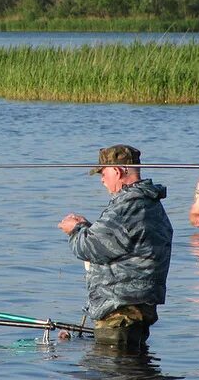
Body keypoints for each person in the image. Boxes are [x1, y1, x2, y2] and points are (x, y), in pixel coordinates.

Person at [58, 145, 173, 349]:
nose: (102, 180)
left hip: (120, 312)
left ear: (117, 171)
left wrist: (75, 229)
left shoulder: (127, 206)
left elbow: (89, 247)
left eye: (103, 173)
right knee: (135, 376)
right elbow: (117, 243)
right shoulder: (149, 203)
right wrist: (85, 227)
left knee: (114, 377)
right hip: (136, 309)